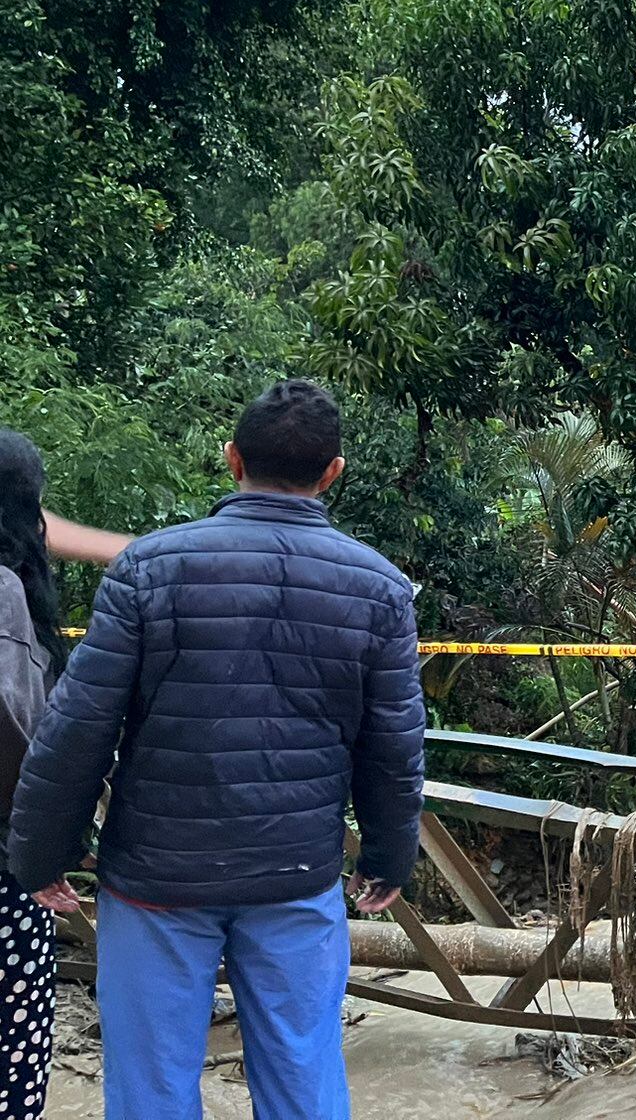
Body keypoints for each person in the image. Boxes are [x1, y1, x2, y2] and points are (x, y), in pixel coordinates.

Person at [7, 380, 426, 1120]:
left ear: (231, 459)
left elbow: (79, 728)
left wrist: (42, 855)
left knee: (151, 1089)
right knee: (303, 1079)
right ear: (334, 473)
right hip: (296, 877)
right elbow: (393, 746)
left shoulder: (149, 569)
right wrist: (388, 857)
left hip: (154, 880)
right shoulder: (380, 588)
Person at [0, 435, 68, 1119]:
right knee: (14, 1049)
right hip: (3, 870)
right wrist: (41, 851)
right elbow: (15, 734)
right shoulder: (3, 594)